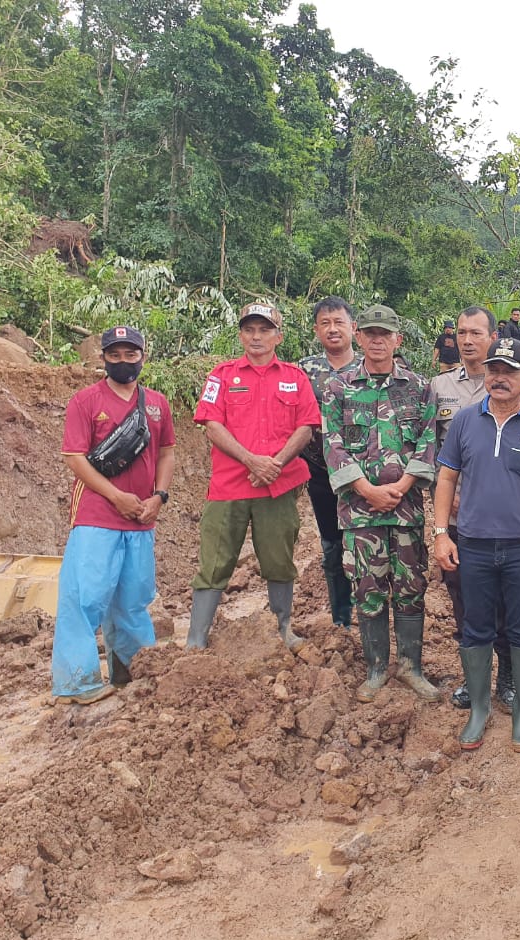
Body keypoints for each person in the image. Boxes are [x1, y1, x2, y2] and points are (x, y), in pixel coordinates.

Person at [434, 338, 520, 752]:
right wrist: (441, 533)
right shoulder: (465, 422)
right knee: (475, 626)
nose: (499, 378)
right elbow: (446, 479)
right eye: (494, 370)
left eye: (509, 371)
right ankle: (479, 708)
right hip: (472, 543)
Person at [51, 325, 175, 704]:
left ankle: (134, 671)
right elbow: (74, 457)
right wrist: (116, 496)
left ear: (143, 355)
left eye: (130, 354)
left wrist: (159, 496)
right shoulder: (85, 401)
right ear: (103, 357)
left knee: (133, 598)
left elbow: (167, 451)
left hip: (141, 517)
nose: (123, 361)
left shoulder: (157, 403)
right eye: (115, 355)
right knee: (84, 598)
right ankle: (77, 683)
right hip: (96, 516)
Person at [322, 305, 440, 703]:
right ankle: (375, 669)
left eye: (384, 333)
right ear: (359, 336)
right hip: (360, 514)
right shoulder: (338, 387)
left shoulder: (419, 387)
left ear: (397, 340)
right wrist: (368, 491)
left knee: (411, 587)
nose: (377, 339)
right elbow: (333, 446)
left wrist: (405, 484)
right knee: (367, 589)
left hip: (406, 512)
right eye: (370, 332)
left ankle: (411, 667)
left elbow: (427, 441)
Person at [188, 303, 321, 651]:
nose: (256, 337)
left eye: (264, 330)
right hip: (229, 485)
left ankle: (283, 629)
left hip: (279, 486)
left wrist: (273, 464)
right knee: (214, 560)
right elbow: (211, 425)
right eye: (250, 330)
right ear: (241, 334)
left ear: (279, 335)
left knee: (279, 560)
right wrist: (251, 461)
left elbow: (306, 427)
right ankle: (196, 637)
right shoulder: (221, 375)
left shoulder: (294, 377)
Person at [432, 306, 515, 710]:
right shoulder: (440, 386)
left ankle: (510, 676)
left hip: (503, 519)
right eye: (462, 332)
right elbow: (431, 452)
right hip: (458, 518)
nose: (467, 340)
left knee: (506, 600)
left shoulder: (509, 383)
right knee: (465, 599)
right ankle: (474, 677)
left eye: (476, 333)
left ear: (493, 336)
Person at [298, 296, 358, 629]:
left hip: (364, 475)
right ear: (316, 330)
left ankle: (371, 615)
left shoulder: (369, 368)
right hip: (321, 475)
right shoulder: (304, 370)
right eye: (325, 323)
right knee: (332, 548)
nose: (332, 329)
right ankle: (341, 621)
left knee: (365, 546)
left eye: (339, 322)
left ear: (353, 327)